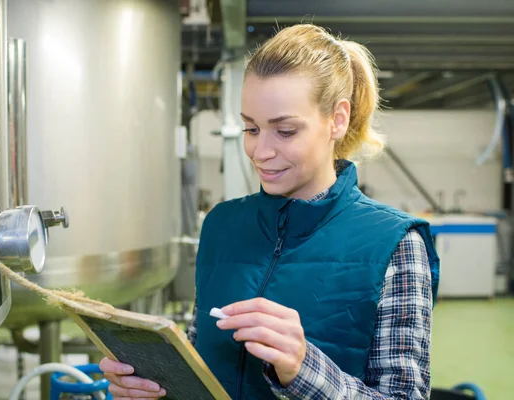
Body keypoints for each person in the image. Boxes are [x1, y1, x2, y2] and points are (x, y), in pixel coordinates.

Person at [100, 23, 439, 400]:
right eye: (251, 128)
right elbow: (203, 369)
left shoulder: (394, 243)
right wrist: (157, 386)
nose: (260, 152)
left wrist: (303, 368)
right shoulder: (222, 225)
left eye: (286, 131)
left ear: (337, 120)